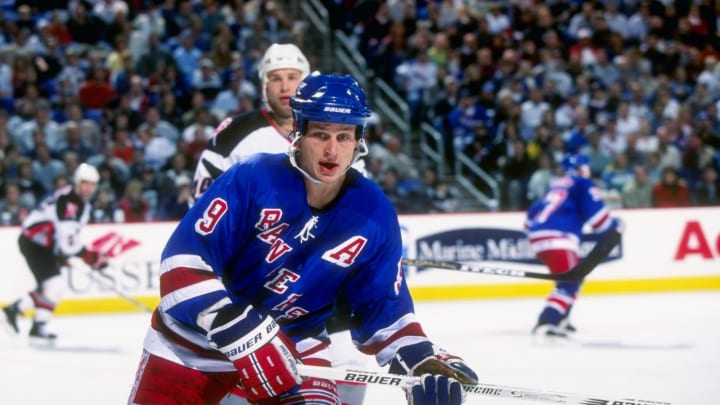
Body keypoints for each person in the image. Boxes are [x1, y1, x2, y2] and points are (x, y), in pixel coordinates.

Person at [127, 72, 477, 405]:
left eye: (344, 136)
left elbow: (383, 310)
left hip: (293, 349)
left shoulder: (375, 212)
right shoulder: (252, 178)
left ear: (359, 141)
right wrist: (232, 324)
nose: (332, 151)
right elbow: (182, 264)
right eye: (321, 135)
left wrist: (421, 360)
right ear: (298, 131)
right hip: (191, 346)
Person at [192, 43, 369, 405]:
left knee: (350, 365)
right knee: (249, 377)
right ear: (263, 85)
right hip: (253, 283)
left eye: (293, 77)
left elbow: (357, 206)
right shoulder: (235, 135)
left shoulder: (338, 130)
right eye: (276, 79)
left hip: (321, 282)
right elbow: (204, 208)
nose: (285, 86)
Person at [1, 163, 108, 342]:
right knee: (55, 285)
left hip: (44, 243)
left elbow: (64, 237)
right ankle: (16, 312)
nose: (88, 188)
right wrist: (91, 257)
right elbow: (68, 242)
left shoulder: (75, 200)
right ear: (77, 182)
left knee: (53, 286)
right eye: (85, 183)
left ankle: (34, 324)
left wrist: (64, 253)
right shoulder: (70, 202)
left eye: (92, 184)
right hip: (35, 243)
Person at [525, 153, 623, 338]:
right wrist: (617, 226)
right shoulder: (581, 183)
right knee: (571, 281)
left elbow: (529, 220)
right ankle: (547, 322)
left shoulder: (556, 185)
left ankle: (562, 317)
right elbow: (600, 222)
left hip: (538, 236)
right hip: (560, 237)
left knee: (573, 277)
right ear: (581, 168)